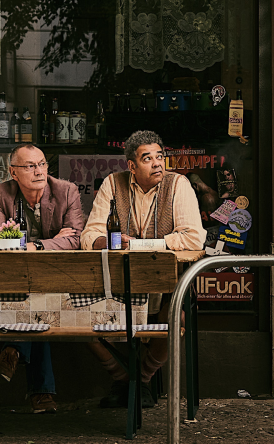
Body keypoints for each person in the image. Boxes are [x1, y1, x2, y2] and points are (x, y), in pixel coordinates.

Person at [82, 130, 206, 408]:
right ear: (132, 165)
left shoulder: (178, 185)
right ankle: (126, 378)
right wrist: (106, 241)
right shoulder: (113, 184)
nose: (157, 163)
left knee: (176, 315)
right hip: (119, 281)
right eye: (147, 158)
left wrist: (139, 245)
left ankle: (141, 379)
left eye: (160, 156)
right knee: (78, 318)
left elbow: (194, 238)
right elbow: (89, 235)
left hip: (167, 283)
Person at [0, 144, 87, 414]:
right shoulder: (2, 192)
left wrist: (35, 245)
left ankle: (13, 349)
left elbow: (75, 239)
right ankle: (41, 393)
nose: (39, 171)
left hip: (57, 274)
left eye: (42, 164)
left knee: (38, 300)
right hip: (17, 278)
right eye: (30, 166)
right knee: (36, 303)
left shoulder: (66, 191)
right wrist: (53, 241)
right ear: (13, 172)